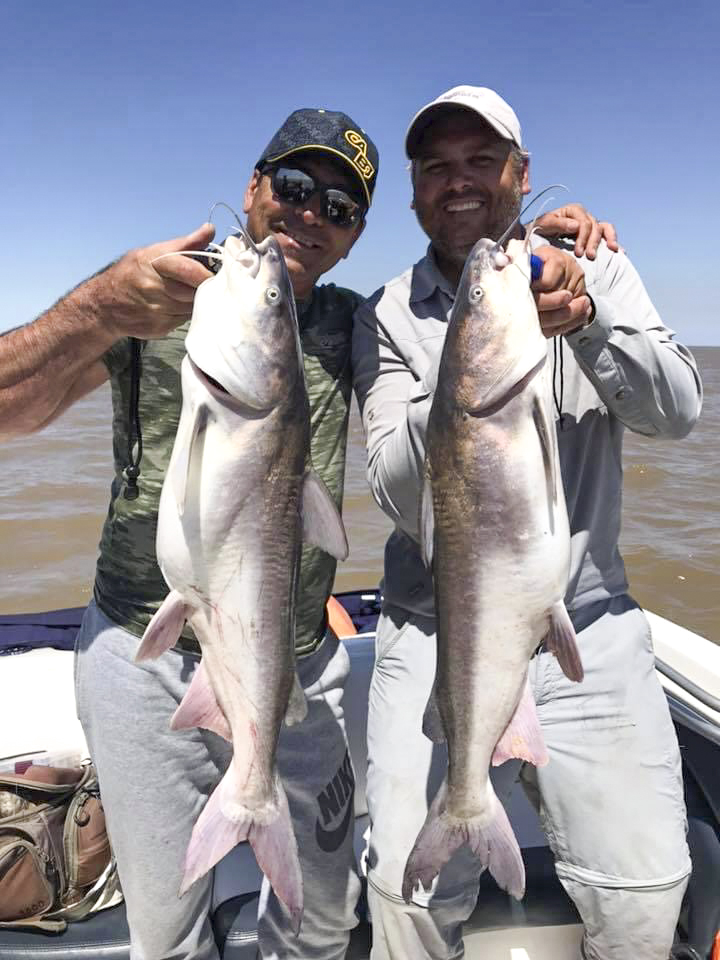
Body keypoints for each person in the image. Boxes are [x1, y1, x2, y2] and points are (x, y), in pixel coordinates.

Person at [0, 100, 618, 959]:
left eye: (341, 207)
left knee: (324, 918)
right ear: (254, 188)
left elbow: (467, 373)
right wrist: (101, 307)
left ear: (357, 233)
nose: (311, 214)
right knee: (166, 930)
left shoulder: (350, 323)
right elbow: (9, 407)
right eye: (295, 186)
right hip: (141, 651)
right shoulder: (157, 298)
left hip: (300, 661)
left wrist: (561, 251)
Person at [352, 85, 702, 960]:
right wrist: (469, 368)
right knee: (406, 896)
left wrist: (589, 324)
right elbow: (396, 492)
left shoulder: (597, 267)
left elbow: (677, 410)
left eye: (480, 161)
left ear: (521, 173)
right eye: (437, 168)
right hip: (439, 627)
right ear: (414, 192)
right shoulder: (386, 315)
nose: (459, 182)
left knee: (650, 894)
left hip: (586, 623)